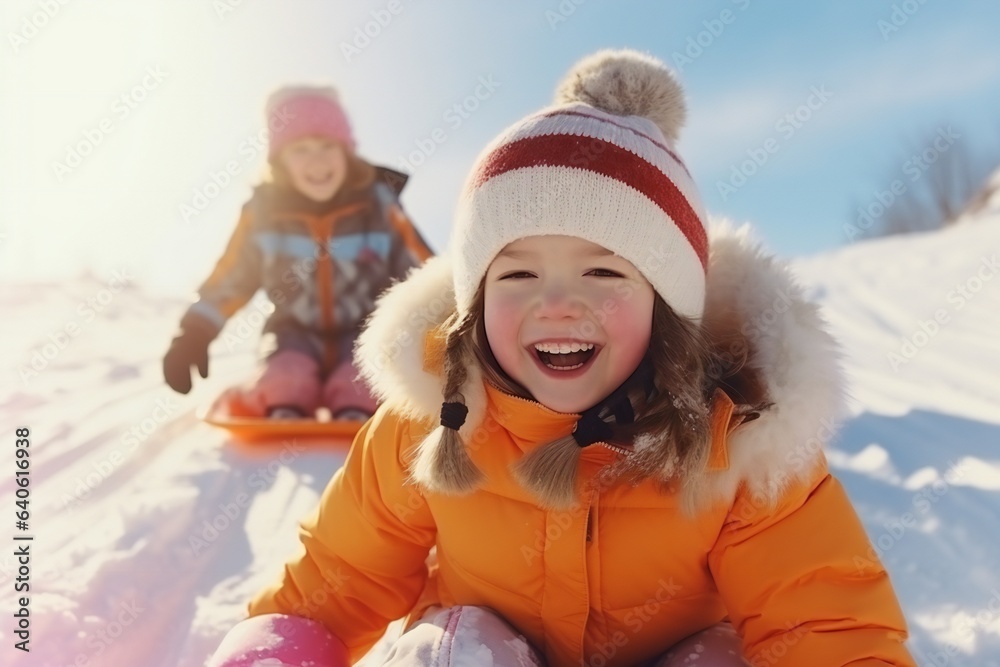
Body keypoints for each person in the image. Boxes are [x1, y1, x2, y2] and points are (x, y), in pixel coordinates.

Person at [206, 51, 918, 666]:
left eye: (604, 274)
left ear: (668, 304)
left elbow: (824, 621)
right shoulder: (430, 426)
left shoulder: (741, 447)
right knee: (446, 647)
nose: (557, 304)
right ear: (473, 301)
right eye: (516, 275)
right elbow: (339, 579)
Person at [162, 85, 433, 420]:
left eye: (326, 146)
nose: (316, 160)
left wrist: (451, 330)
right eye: (300, 149)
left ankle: (358, 413)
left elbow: (423, 273)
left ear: (347, 152)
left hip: (366, 334)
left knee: (364, 379)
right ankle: (284, 407)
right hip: (292, 332)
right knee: (284, 377)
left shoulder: (379, 206)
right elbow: (231, 278)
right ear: (279, 161)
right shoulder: (263, 213)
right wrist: (194, 332)